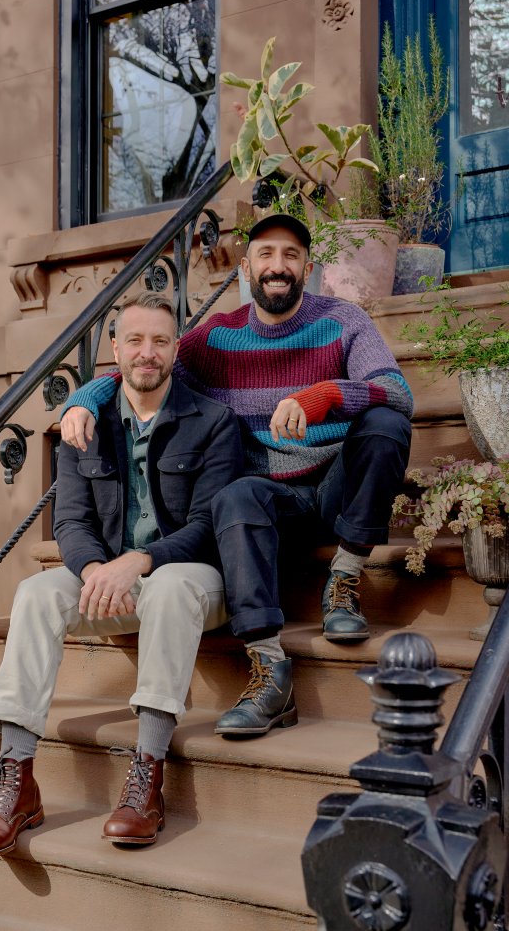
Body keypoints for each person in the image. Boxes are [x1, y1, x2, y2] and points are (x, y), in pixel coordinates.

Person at [61, 213, 413, 739]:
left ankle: (343, 578)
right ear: (246, 268)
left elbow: (397, 391)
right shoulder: (216, 337)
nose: (278, 267)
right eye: (266, 255)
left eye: (291, 256)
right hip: (271, 500)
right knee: (235, 495)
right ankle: (270, 670)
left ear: (308, 267)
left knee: (385, 425)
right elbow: (146, 370)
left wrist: (326, 395)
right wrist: (85, 396)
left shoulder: (345, 321)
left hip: (340, 488)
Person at [0, 292, 243, 857]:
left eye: (161, 341)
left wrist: (137, 561)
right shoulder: (82, 425)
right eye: (135, 340)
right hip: (112, 580)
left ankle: (147, 777)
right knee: (37, 591)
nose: (148, 353)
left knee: (168, 584)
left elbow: (207, 526)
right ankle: (16, 780)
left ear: (176, 350)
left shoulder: (214, 422)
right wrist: (95, 570)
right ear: (114, 348)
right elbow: (70, 520)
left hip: (192, 581)